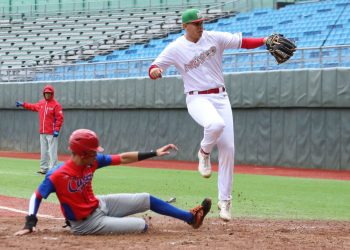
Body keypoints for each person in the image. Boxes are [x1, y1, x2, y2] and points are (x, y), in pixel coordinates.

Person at [149, 8, 269, 221]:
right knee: (214, 124)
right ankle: (204, 153)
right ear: (185, 26)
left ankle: (225, 202)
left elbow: (242, 42)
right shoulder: (176, 47)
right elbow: (154, 66)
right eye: (196, 23)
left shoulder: (214, 37)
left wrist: (265, 40)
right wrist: (156, 72)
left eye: (201, 22)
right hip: (197, 98)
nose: (200, 26)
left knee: (228, 149)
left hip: (221, 97)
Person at [14, 129, 211, 236]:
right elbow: (36, 196)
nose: (98, 153)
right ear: (83, 154)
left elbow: (123, 158)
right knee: (141, 226)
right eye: (94, 151)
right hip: (86, 224)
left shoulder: (93, 162)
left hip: (100, 204)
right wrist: (30, 222)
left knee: (146, 199)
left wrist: (154, 152)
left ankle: (191, 219)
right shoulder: (57, 175)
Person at [16, 84, 64, 175]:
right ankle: (44, 169)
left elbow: (60, 118)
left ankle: (53, 169)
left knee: (52, 152)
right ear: (44, 94)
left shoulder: (56, 105)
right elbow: (32, 106)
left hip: (52, 132)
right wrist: (23, 104)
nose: (47, 95)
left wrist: (57, 129)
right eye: (46, 93)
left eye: (49, 93)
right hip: (42, 132)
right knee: (43, 151)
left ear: (52, 94)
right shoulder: (41, 103)